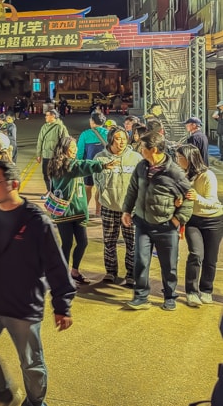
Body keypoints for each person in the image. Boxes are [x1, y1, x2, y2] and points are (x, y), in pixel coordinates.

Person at [0, 161, 75, 406]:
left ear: (14, 184)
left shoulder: (37, 221)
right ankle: (4, 392)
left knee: (31, 363)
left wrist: (62, 305)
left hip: (23, 305)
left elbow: (56, 265)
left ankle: (35, 402)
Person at [123, 131, 193, 310]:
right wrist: (126, 211)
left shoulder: (174, 171)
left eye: (142, 147)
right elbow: (132, 189)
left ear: (153, 149)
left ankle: (170, 296)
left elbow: (189, 197)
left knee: (169, 265)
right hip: (142, 223)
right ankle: (140, 297)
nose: (140, 150)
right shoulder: (141, 166)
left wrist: (178, 219)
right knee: (141, 261)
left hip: (166, 226)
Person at [44, 136, 111, 284]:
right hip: (65, 212)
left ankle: (74, 271)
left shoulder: (72, 164)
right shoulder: (64, 165)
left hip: (79, 212)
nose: (75, 150)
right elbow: (81, 165)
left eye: (75, 147)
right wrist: (101, 165)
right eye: (72, 148)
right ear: (63, 149)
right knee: (67, 244)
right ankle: (62, 274)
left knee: (83, 242)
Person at [92, 127, 142, 285]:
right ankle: (111, 272)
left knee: (132, 243)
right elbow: (97, 182)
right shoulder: (100, 158)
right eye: (118, 138)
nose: (122, 142)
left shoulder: (136, 158)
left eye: (124, 138)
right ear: (111, 140)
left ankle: (131, 274)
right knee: (109, 242)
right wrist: (103, 198)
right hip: (109, 207)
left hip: (131, 210)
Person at [176, 144, 223, 307]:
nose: (177, 160)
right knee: (196, 254)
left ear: (189, 159)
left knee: (210, 258)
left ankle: (206, 290)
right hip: (192, 220)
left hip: (213, 220)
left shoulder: (208, 175)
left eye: (180, 157)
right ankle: (191, 292)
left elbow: (213, 203)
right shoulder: (182, 175)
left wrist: (197, 197)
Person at [75, 110, 109, 216]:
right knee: (100, 189)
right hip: (103, 166)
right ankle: (98, 211)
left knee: (87, 187)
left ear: (92, 121)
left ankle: (84, 210)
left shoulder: (85, 134)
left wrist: (79, 166)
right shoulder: (108, 133)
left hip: (88, 166)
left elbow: (80, 153)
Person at [36, 109, 67, 190]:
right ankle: (49, 190)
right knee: (45, 173)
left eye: (47, 115)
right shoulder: (44, 127)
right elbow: (40, 140)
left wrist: (64, 155)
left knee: (56, 174)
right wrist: (38, 154)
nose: (45, 117)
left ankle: (55, 191)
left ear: (53, 116)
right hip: (45, 155)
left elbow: (66, 142)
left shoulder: (60, 127)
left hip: (56, 156)